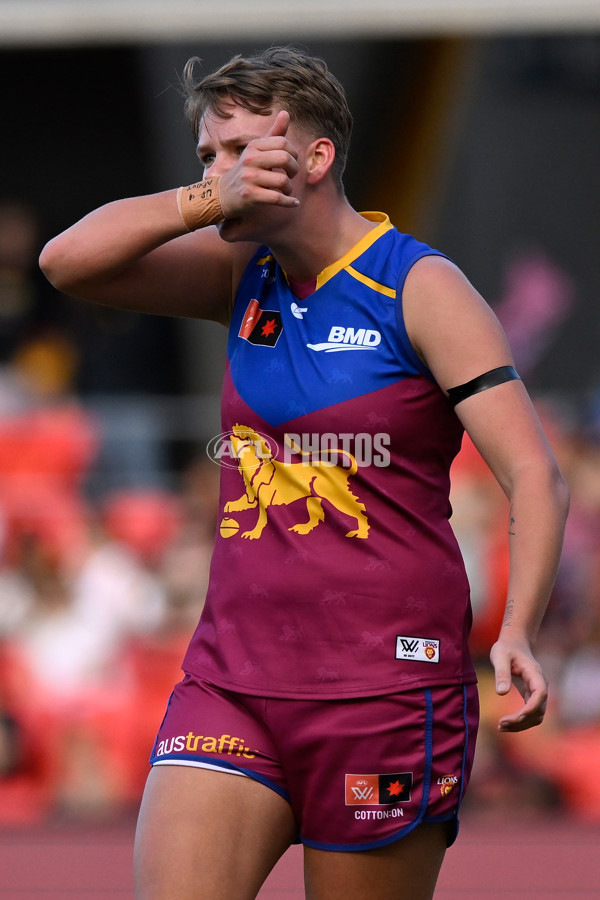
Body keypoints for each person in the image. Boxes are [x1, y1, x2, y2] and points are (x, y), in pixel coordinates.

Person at [39, 46, 569, 900]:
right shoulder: (241, 272)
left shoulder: (420, 285)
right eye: (207, 155)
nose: (217, 173)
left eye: (238, 151)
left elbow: (536, 476)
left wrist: (516, 632)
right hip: (231, 681)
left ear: (314, 158)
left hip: (386, 691)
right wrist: (210, 198)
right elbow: (68, 263)